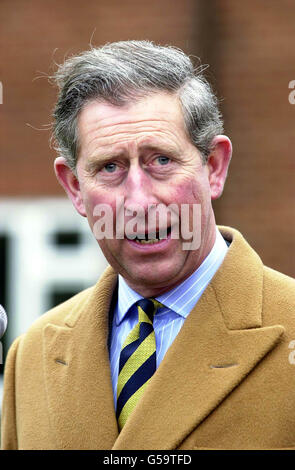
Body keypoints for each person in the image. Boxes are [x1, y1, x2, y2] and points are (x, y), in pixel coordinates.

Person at [1, 40, 295, 451]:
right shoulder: (30, 356)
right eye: (110, 167)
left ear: (214, 167)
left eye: (161, 161)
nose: (138, 200)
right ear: (73, 187)